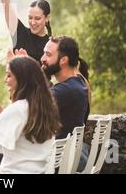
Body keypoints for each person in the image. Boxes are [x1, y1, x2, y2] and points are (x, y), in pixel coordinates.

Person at [0, 56, 61, 173]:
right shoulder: (41, 105)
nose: (5, 79)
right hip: (37, 170)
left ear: (22, 79)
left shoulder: (20, 108)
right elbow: (8, 119)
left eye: (9, 75)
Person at [41, 35, 90, 171]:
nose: (42, 58)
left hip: (57, 163)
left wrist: (21, 72)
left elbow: (29, 104)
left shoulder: (66, 90)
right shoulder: (77, 82)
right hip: (69, 157)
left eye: (48, 54)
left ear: (63, 60)